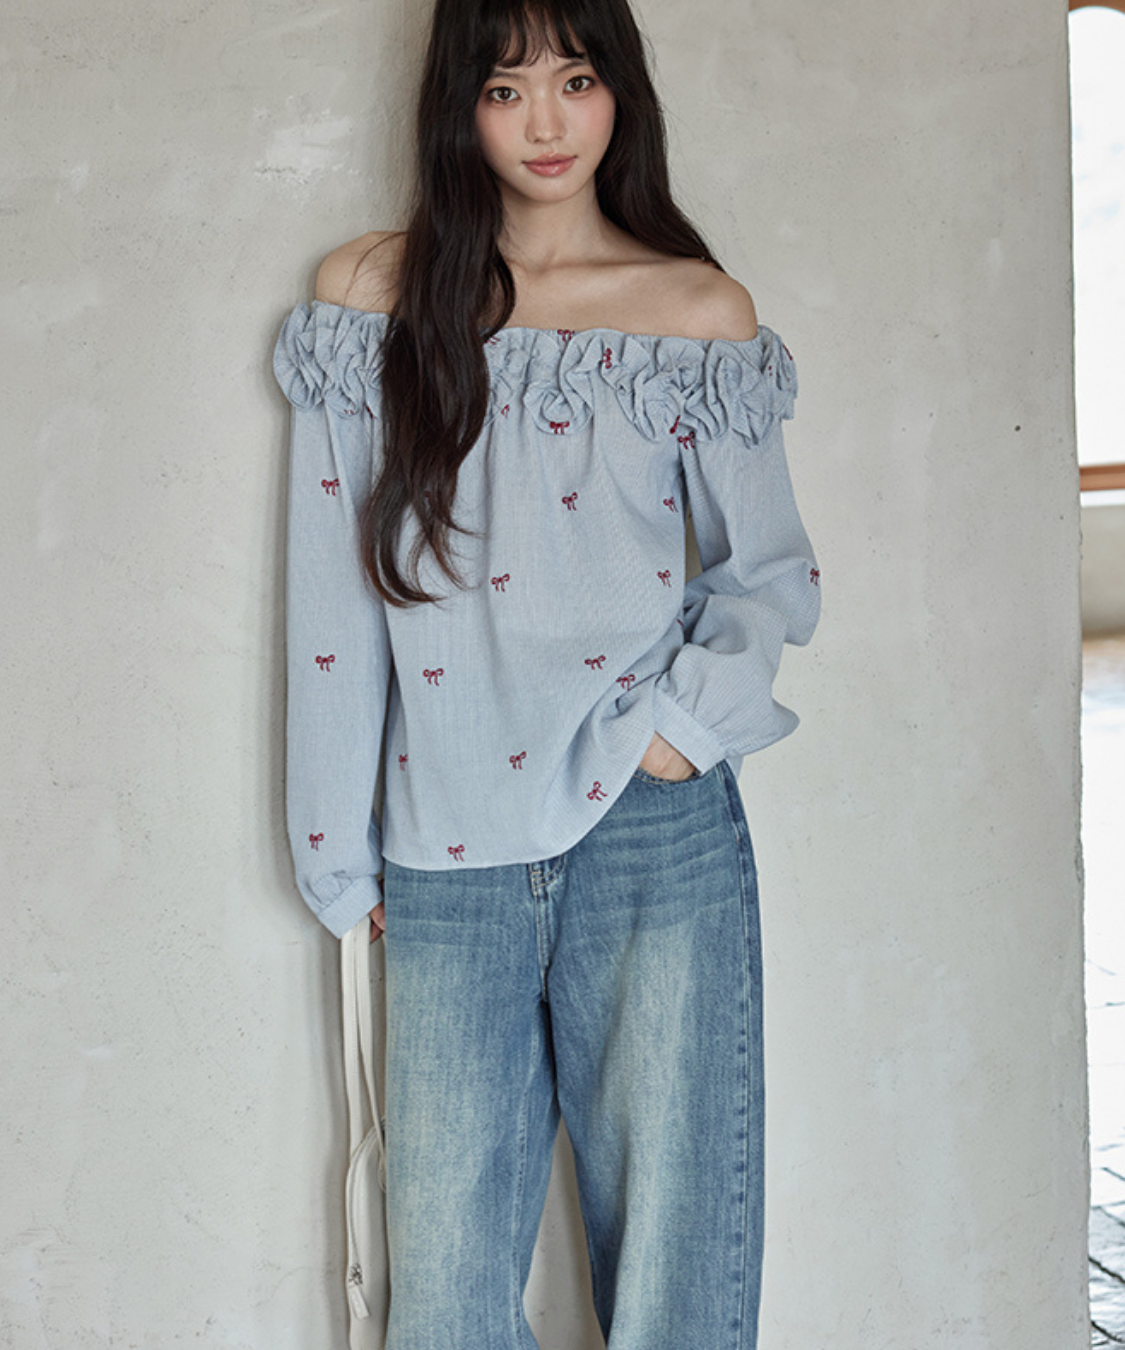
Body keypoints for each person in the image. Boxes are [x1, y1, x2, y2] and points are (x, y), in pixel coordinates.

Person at [271, 0, 820, 1344]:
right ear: (458, 104)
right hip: (443, 842)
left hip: (653, 826)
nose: (546, 122)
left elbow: (769, 575)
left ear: (619, 91)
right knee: (446, 1297)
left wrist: (676, 734)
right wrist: (339, 854)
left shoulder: (692, 313)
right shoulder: (370, 301)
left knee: (680, 1267)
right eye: (507, 88)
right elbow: (332, 602)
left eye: (577, 80)